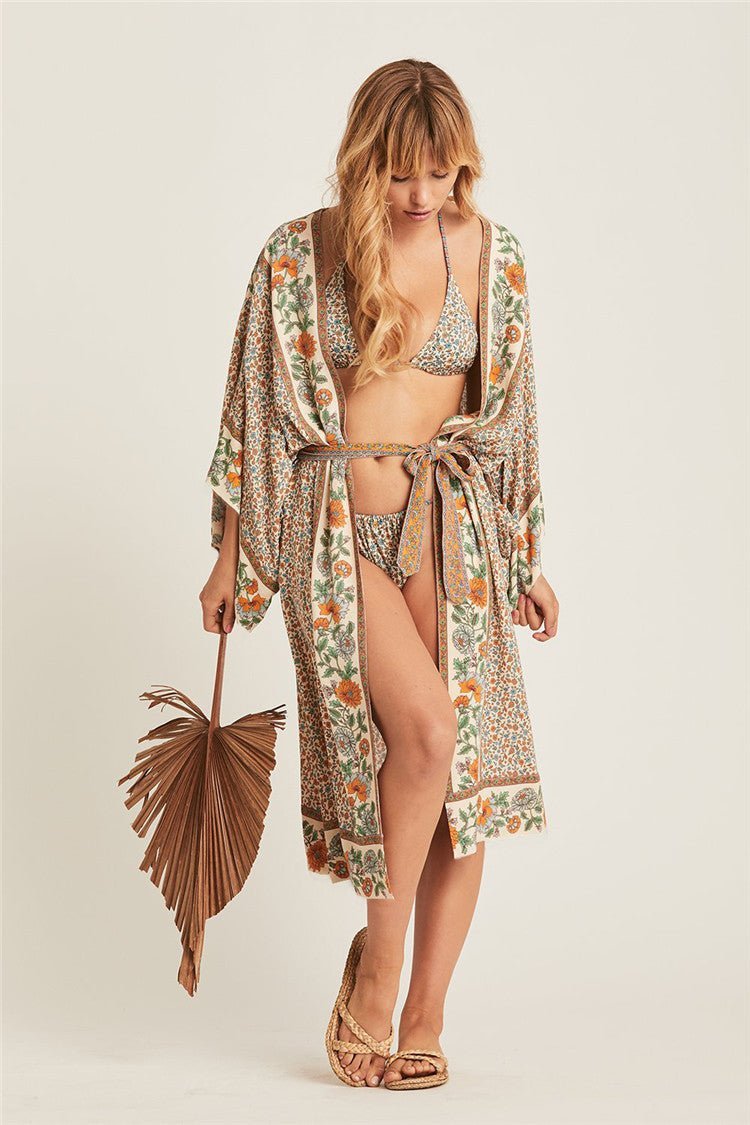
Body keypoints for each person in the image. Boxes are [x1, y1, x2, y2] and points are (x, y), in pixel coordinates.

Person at [200, 58, 559, 1092]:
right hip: (332, 532)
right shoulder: (298, 252)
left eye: (441, 173)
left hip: (451, 527)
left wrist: (528, 555)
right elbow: (255, 408)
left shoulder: (493, 253)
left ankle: (426, 1014)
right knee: (427, 734)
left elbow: (511, 414)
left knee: (461, 780)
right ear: (366, 159)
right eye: (402, 172)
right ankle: (378, 965)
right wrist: (229, 555)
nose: (421, 194)